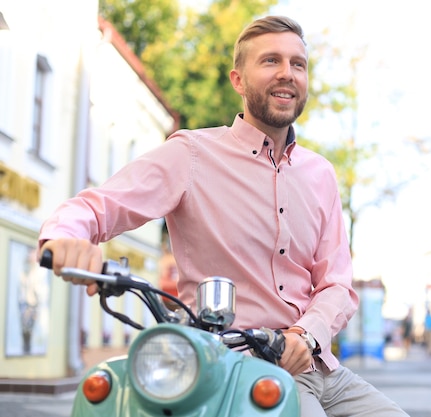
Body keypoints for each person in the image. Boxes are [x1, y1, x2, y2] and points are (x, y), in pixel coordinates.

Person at [38, 15, 408, 417]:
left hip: (321, 366)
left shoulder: (320, 173)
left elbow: (336, 282)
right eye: (270, 61)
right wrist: (66, 238)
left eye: (297, 64)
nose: (287, 74)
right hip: (237, 366)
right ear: (238, 80)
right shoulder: (191, 154)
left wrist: (306, 335)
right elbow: (99, 205)